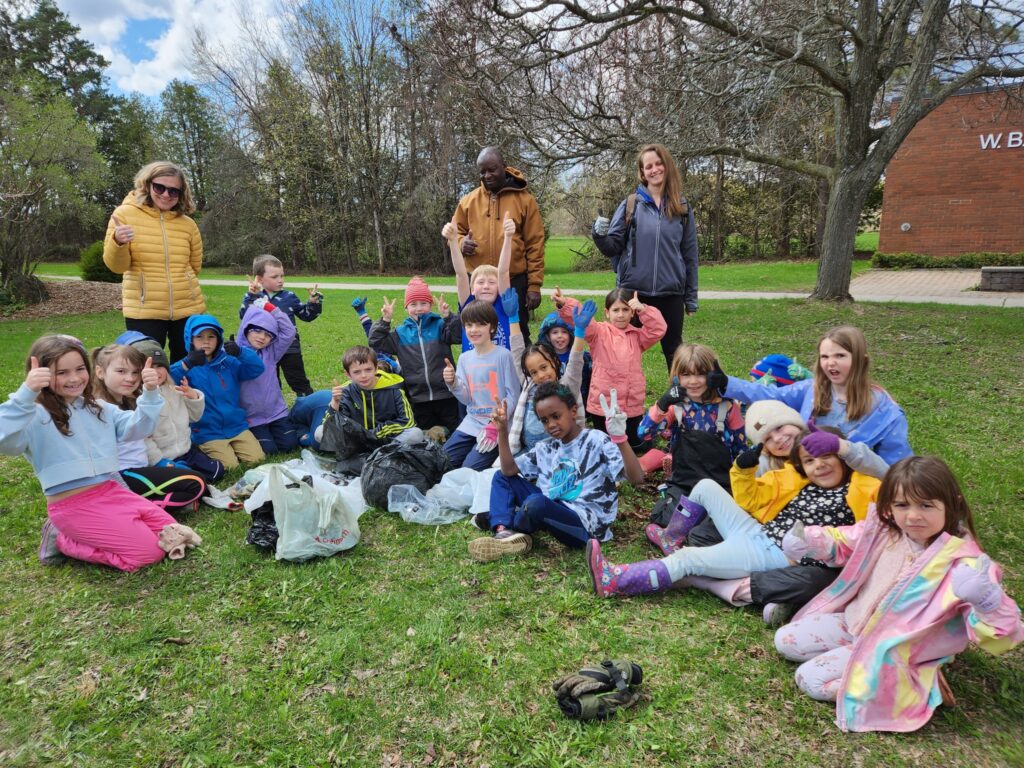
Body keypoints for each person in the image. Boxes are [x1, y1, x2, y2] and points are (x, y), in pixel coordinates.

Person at [774, 456, 1023, 733]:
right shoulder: (885, 529)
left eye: (926, 505)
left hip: (894, 650)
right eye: (902, 505)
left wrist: (988, 601)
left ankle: (914, 683)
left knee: (810, 679)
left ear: (953, 503)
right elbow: (844, 542)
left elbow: (1005, 636)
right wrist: (809, 541)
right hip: (853, 623)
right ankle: (852, 656)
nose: (913, 515)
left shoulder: (968, 565)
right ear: (889, 506)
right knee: (785, 640)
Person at [588, 426, 887, 603]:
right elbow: (751, 497)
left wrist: (847, 449)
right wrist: (743, 468)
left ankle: (615, 581)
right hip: (756, 531)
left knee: (688, 559)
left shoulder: (864, 488)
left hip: (772, 555)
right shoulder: (798, 480)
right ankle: (670, 536)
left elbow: (889, 479)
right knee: (705, 487)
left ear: (844, 457)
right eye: (810, 461)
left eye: (827, 457)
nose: (819, 465)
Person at [0, 334, 200, 571]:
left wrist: (149, 392)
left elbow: (139, 427)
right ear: (40, 373)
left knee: (174, 532)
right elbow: (5, 440)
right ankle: (65, 540)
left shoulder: (98, 408)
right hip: (72, 504)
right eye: (61, 372)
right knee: (150, 553)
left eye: (79, 369)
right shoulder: (34, 414)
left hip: (112, 491)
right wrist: (26, 394)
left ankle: (116, 527)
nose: (74, 378)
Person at [468, 385, 645, 562]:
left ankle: (505, 519)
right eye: (544, 420)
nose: (551, 424)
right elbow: (508, 470)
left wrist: (620, 439)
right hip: (551, 507)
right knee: (502, 477)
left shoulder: (596, 440)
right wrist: (502, 431)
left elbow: (636, 478)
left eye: (556, 416)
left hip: (584, 525)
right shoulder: (546, 447)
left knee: (536, 504)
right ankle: (503, 531)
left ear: (573, 411)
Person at [721, 325, 912, 465]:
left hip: (851, 490)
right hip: (803, 474)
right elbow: (770, 394)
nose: (830, 363)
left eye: (840, 356)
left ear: (861, 360)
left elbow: (896, 466)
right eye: (825, 357)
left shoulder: (885, 411)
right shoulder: (812, 389)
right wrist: (726, 383)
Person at [592, 143, 698, 370]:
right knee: (621, 347)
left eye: (659, 164)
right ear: (642, 173)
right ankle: (619, 400)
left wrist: (690, 297)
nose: (654, 169)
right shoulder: (631, 204)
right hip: (633, 292)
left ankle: (677, 401)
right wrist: (599, 235)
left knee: (674, 352)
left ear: (667, 166)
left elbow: (690, 255)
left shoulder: (682, 207)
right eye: (648, 166)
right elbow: (612, 246)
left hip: (671, 293)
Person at [103, 161, 207, 362]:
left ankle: (181, 396)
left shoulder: (188, 224)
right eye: (160, 187)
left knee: (188, 366)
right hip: (144, 311)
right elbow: (116, 266)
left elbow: (194, 267)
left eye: (174, 191)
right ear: (147, 185)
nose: (166, 195)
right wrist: (118, 242)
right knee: (146, 368)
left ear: (181, 194)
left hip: (187, 309)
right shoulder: (123, 215)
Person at [92, 343, 207, 515]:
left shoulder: (129, 399)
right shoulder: (98, 408)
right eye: (121, 371)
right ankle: (135, 510)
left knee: (198, 479)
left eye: (135, 372)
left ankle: (136, 504)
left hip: (142, 467)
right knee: (196, 483)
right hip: (122, 476)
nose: (130, 378)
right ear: (100, 372)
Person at [556, 288, 666, 451]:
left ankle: (643, 440)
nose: (620, 314)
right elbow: (582, 319)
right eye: (616, 310)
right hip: (603, 403)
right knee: (605, 445)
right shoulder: (598, 332)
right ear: (607, 312)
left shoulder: (638, 336)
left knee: (635, 445)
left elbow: (658, 329)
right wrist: (565, 304)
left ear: (632, 313)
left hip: (631, 402)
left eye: (625, 310)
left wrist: (644, 309)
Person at [453, 146, 545, 342]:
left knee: (517, 333)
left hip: (513, 281)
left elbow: (535, 245)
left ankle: (520, 373)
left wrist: (534, 286)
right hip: (477, 283)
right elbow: (455, 232)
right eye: (482, 171)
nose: (486, 175)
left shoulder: (526, 201)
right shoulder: (468, 201)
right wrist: (462, 243)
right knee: (477, 332)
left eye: (491, 169)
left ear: (504, 167)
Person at [368, 277, 462, 435]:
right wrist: (385, 320)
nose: (419, 308)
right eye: (413, 304)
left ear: (430, 305)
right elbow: (375, 342)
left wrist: (448, 317)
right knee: (426, 435)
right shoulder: (400, 333)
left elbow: (458, 336)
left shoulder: (439, 325)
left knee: (451, 431)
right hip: (418, 397)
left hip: (446, 394)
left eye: (423, 303)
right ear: (406, 307)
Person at [169, 314, 266, 468]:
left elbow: (256, 368)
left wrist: (241, 352)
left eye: (211, 337)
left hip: (236, 426)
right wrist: (186, 364)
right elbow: (167, 378)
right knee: (230, 466)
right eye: (199, 337)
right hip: (207, 431)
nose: (206, 341)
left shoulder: (228, 362)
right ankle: (199, 448)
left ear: (219, 339)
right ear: (190, 339)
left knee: (257, 460)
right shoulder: (188, 366)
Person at [635, 343, 746, 476]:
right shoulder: (676, 406)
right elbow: (644, 434)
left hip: (719, 476)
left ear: (714, 375)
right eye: (686, 374)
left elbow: (741, 448)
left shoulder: (727, 406)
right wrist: (662, 404)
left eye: (700, 374)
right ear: (677, 376)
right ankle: (662, 459)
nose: (693, 381)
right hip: (684, 475)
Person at [504, 301, 594, 456]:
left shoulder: (566, 385)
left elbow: (575, 361)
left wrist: (579, 331)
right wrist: (513, 318)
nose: (540, 375)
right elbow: (517, 352)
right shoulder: (529, 385)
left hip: (561, 452)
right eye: (534, 372)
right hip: (529, 451)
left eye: (544, 367)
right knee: (502, 475)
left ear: (554, 362)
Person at [130, 337, 224, 483]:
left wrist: (193, 397)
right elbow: (143, 439)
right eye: (150, 367)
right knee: (191, 481)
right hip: (163, 457)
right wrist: (158, 460)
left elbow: (194, 417)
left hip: (185, 450)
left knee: (217, 470)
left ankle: (189, 472)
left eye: (159, 366)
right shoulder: (139, 399)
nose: (156, 371)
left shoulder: (174, 390)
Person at [443, 300, 521, 470]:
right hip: (472, 421)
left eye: (480, 324)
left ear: (492, 327)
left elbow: (514, 394)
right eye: (469, 325)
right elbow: (466, 398)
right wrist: (453, 382)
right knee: (442, 462)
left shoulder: (503, 356)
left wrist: (497, 424)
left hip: (496, 426)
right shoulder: (465, 358)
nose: (474, 330)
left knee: (469, 469)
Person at [317, 345, 417, 473]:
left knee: (415, 434)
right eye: (357, 372)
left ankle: (377, 456)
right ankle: (371, 458)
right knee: (320, 432)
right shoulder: (345, 392)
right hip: (358, 443)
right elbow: (329, 426)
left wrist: (374, 434)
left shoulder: (394, 389)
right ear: (348, 374)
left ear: (376, 368)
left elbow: (408, 421)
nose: (363, 375)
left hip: (386, 441)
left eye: (368, 370)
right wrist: (335, 403)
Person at [240, 254, 324, 397]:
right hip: (265, 348)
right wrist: (251, 296)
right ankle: (275, 412)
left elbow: (306, 315)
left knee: (299, 382)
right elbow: (244, 316)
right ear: (259, 279)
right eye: (274, 277)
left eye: (282, 276)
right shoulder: (255, 298)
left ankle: (309, 406)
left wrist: (313, 303)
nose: (280, 280)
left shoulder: (289, 296)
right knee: (270, 383)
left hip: (290, 348)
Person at [443, 214, 514, 352]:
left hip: (501, 371)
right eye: (480, 282)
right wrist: (452, 241)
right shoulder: (468, 305)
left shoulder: (504, 307)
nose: (486, 286)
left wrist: (508, 237)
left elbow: (504, 272)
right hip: (473, 372)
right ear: (472, 289)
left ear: (499, 288)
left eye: (492, 282)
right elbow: (461, 274)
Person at [238, 297, 300, 455]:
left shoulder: (271, 352)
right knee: (269, 450)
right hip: (252, 417)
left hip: (276, 413)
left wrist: (270, 308)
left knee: (290, 445)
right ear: (246, 328)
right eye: (257, 331)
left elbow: (289, 331)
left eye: (268, 334)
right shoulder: (235, 353)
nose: (262, 337)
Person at [537, 310, 593, 407]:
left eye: (564, 332)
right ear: (547, 336)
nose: (559, 336)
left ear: (571, 335)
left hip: (576, 404)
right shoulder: (543, 358)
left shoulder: (583, 358)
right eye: (555, 332)